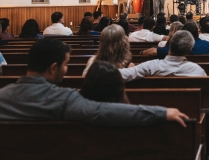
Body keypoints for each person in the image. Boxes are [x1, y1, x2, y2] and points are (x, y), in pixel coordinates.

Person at [0, 38, 188, 126]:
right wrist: (160, 112)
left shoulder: (3, 96)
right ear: (52, 67)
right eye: (66, 65)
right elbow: (103, 111)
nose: (66, 69)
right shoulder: (63, 99)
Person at [120, 31, 209, 101]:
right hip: (188, 116)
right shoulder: (196, 70)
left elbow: (123, 75)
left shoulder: (151, 66)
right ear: (189, 50)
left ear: (169, 45)